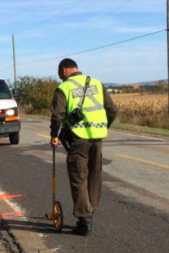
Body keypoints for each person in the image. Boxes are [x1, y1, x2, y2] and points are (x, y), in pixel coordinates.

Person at [50, 58, 118, 236]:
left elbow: (57, 116)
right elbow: (113, 110)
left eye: (59, 74)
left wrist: (54, 136)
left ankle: (84, 220)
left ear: (64, 70)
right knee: (95, 175)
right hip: (97, 138)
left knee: (78, 178)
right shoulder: (97, 83)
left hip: (78, 139)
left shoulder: (64, 88)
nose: (60, 77)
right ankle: (91, 211)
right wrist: (103, 126)